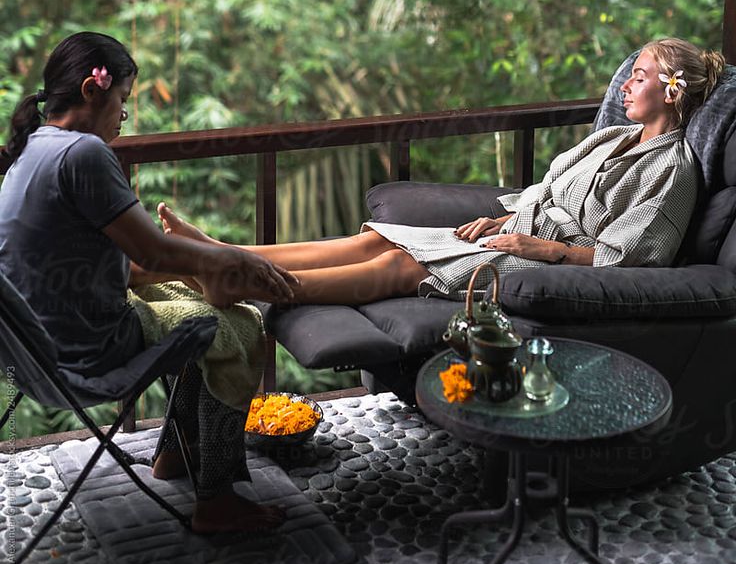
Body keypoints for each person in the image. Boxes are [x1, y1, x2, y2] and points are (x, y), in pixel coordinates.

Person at [157, 38, 725, 304]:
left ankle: (250, 284)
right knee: (372, 239)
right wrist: (497, 219)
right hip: (518, 236)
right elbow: (544, 190)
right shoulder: (613, 138)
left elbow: (623, 260)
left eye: (642, 76)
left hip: (554, 270)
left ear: (673, 94)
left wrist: (533, 246)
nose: (626, 82)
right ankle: (222, 255)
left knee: (398, 265)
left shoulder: (673, 171)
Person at [0, 32, 298, 535]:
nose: (123, 116)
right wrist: (232, 256)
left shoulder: (30, 151)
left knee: (187, 300)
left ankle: (177, 457)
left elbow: (132, 265)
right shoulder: (84, 155)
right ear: (94, 92)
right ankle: (217, 499)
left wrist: (210, 266)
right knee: (240, 325)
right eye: (122, 101)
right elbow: (152, 251)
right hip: (88, 350)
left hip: (35, 352)